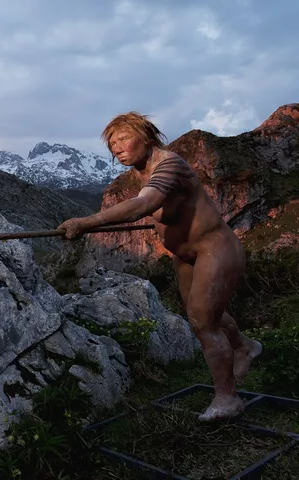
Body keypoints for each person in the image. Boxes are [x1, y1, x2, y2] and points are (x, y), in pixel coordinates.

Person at [58, 112, 262, 422]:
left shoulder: (169, 164)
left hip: (215, 247)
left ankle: (227, 398)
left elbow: (143, 205)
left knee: (203, 322)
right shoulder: (143, 170)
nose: (116, 148)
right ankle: (243, 347)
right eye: (112, 144)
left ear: (146, 137)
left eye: (123, 138)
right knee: (202, 315)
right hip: (186, 255)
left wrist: (86, 222)